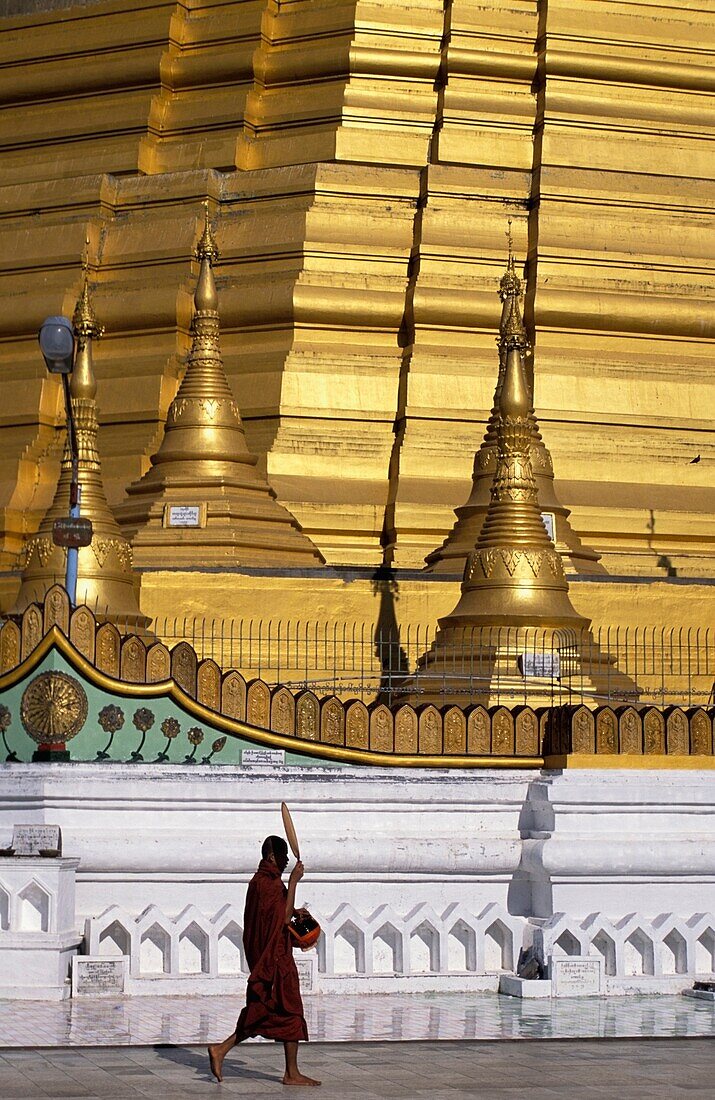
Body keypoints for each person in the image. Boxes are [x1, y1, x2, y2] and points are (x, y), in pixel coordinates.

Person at [208, 836, 321, 1087]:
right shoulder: (268, 884)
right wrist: (293, 882)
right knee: (290, 1011)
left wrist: (295, 911)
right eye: (283, 857)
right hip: (276, 961)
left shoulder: (261, 882)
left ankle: (221, 1050)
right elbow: (280, 920)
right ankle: (290, 1073)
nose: (286, 861)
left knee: (262, 1012)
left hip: (274, 956)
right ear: (271, 857)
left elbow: (276, 915)